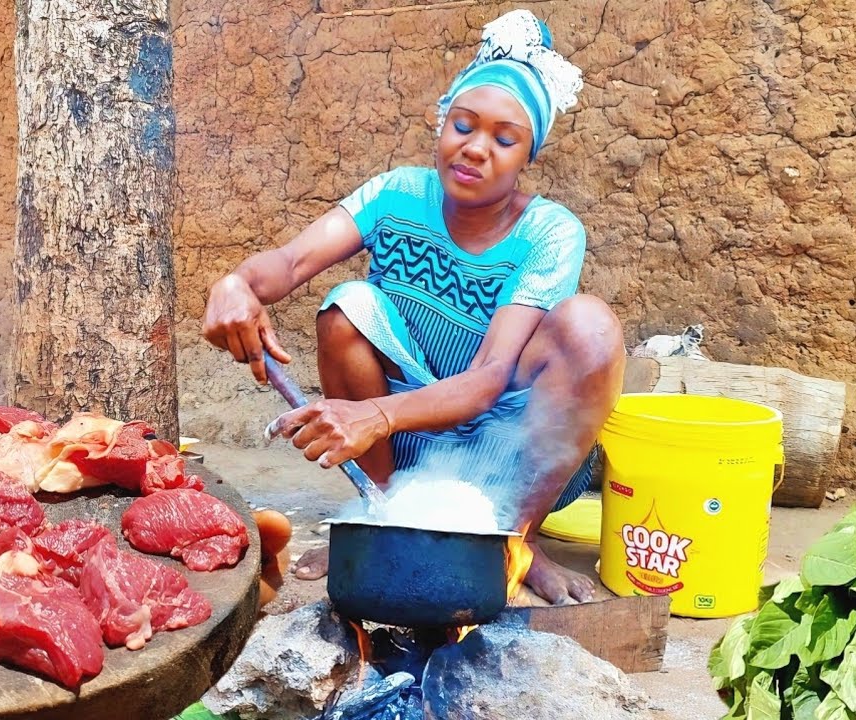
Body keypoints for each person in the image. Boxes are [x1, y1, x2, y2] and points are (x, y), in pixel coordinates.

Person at [203, 10, 626, 605]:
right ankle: (379, 516)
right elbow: (293, 263)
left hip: (506, 447)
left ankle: (513, 542)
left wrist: (372, 415)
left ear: (529, 154)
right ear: (441, 124)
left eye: (505, 139)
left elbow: (486, 381)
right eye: (462, 125)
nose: (476, 149)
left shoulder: (550, 233)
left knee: (591, 328)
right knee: (347, 306)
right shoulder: (397, 194)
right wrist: (238, 283)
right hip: (402, 446)